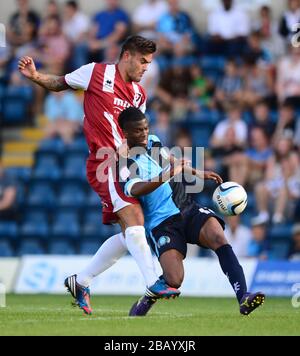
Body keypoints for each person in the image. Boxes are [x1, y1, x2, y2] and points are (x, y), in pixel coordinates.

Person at [18, 35, 180, 315]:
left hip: (128, 164)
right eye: (142, 61)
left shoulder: (139, 94)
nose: (146, 68)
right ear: (126, 55)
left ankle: (81, 281)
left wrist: (160, 157)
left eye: (149, 63)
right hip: (105, 164)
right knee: (134, 219)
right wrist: (35, 76)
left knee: (129, 232)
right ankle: (154, 281)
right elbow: (60, 84)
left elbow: (138, 135)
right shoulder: (95, 72)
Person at [117, 107, 265, 317]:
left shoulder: (154, 141)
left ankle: (243, 297)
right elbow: (136, 188)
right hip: (162, 223)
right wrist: (168, 174)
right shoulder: (124, 163)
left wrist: (197, 172)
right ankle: (150, 295)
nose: (144, 134)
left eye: (146, 128)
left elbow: (172, 162)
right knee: (174, 279)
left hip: (186, 208)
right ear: (125, 133)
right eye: (138, 130)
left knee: (217, 235)